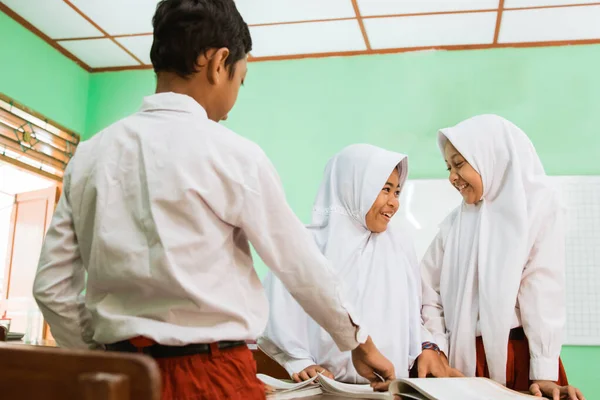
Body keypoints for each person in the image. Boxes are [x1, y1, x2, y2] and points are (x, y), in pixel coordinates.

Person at [32, 1, 394, 399]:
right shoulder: (234, 155)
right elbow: (300, 265)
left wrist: (98, 356)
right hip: (211, 377)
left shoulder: (89, 156)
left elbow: (51, 287)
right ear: (219, 62)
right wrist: (361, 344)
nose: (236, 93)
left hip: (117, 378)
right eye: (241, 79)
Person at [259, 144, 461, 384]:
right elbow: (274, 315)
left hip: (389, 388)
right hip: (325, 389)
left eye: (397, 192)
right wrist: (300, 362)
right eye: (385, 190)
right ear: (352, 188)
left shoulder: (398, 245)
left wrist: (428, 346)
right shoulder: (308, 245)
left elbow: (411, 317)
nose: (394, 203)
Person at [421, 114, 584, 400]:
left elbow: (542, 288)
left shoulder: (536, 207)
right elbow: (426, 290)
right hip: (463, 359)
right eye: (448, 167)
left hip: (521, 355)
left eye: (459, 164)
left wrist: (543, 371)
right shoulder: (454, 224)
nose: (452, 177)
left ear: (490, 157)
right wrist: (438, 349)